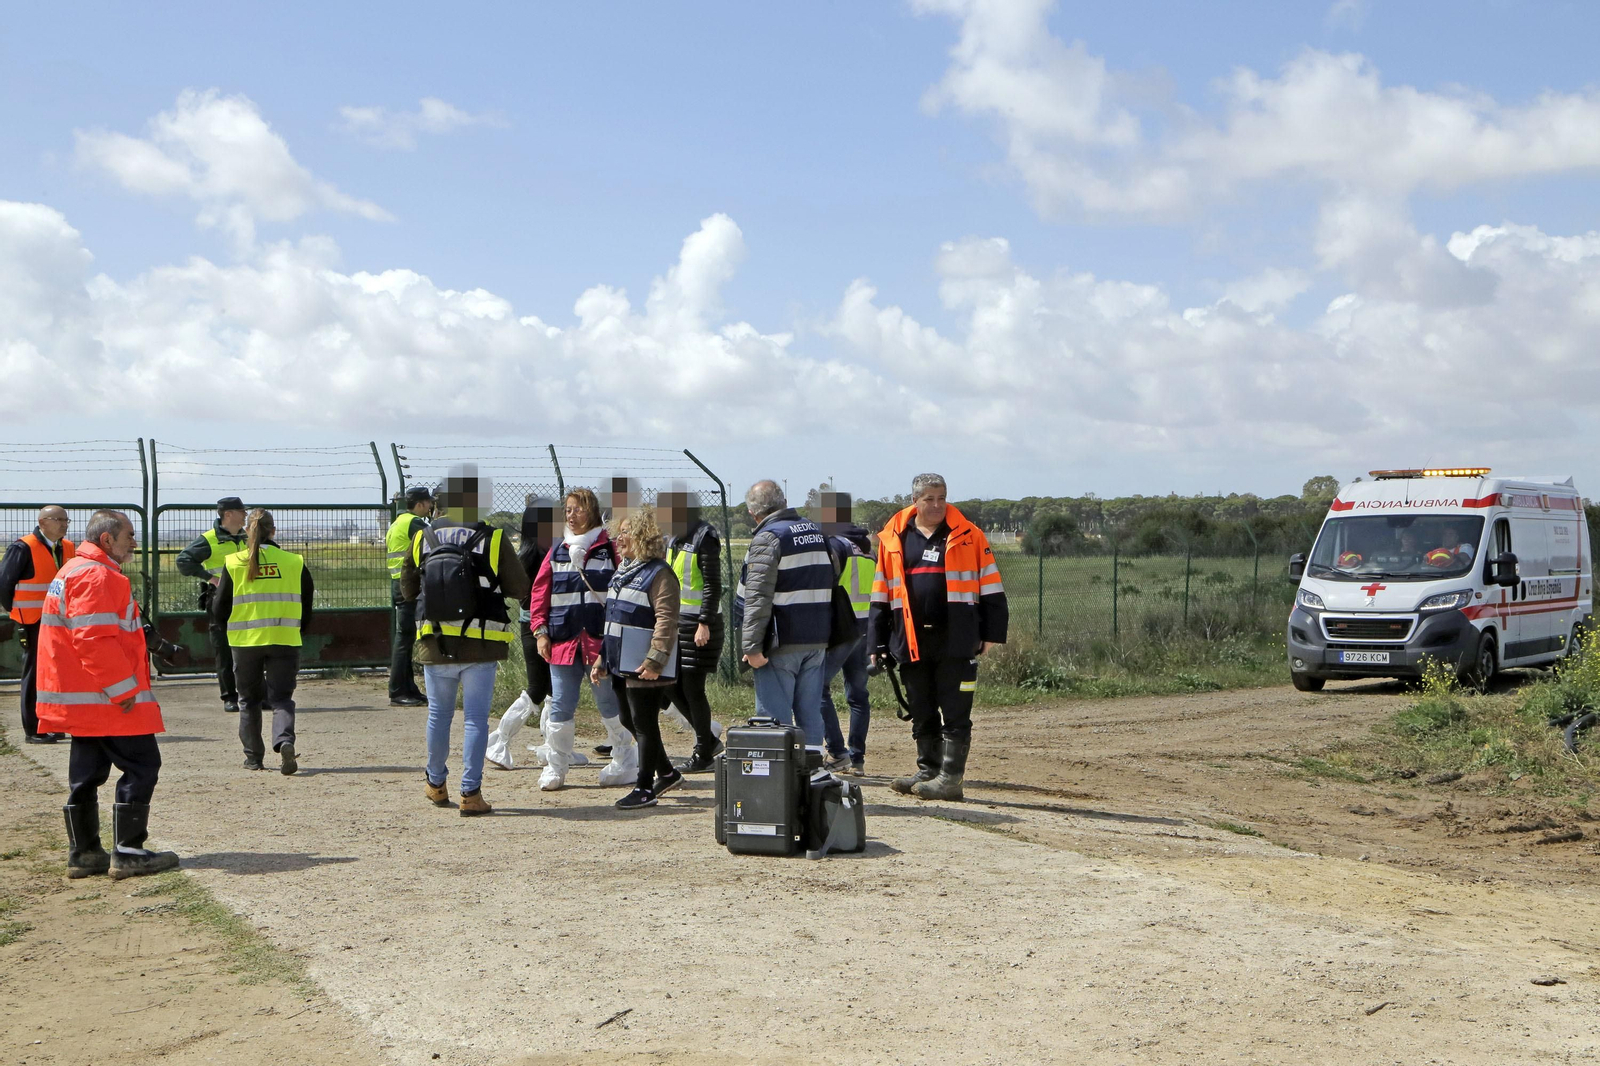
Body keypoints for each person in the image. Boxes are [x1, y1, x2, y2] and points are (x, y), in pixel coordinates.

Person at [38, 510, 180, 879]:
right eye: (129, 535)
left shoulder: (71, 570)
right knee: (142, 765)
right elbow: (94, 640)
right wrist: (122, 690)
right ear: (107, 539)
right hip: (107, 699)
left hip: (84, 698)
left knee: (86, 774)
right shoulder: (96, 575)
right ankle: (129, 853)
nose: (134, 541)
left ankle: (85, 854)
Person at [869, 473, 1008, 802]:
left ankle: (950, 779)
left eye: (941, 498)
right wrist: (876, 641)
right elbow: (882, 593)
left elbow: (991, 585)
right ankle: (928, 770)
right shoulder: (894, 538)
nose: (936, 505)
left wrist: (990, 633)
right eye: (929, 499)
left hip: (956, 639)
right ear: (915, 501)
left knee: (955, 711)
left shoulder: (970, 535)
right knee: (922, 708)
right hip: (911, 639)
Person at [399, 466, 529, 816]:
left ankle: (435, 784)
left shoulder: (423, 538)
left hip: (435, 641)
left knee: (438, 716)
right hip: (481, 643)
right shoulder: (494, 538)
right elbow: (520, 588)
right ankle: (471, 793)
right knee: (475, 719)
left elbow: (408, 590)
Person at [527, 488, 638, 790]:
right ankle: (556, 767)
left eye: (578, 509)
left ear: (592, 511)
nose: (571, 515)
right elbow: (540, 593)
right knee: (561, 705)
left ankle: (625, 761)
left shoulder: (609, 548)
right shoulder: (557, 549)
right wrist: (540, 631)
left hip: (600, 644)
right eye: (568, 510)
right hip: (562, 641)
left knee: (609, 703)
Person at [735, 480, 837, 746]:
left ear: (753, 513)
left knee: (774, 720)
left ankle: (780, 771)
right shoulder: (816, 532)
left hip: (780, 641)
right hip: (817, 639)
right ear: (783, 502)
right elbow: (833, 575)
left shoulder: (768, 538)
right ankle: (813, 766)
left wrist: (751, 646)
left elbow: (757, 597)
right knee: (810, 714)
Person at [212, 509, 314, 775]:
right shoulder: (293, 562)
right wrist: (298, 630)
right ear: (273, 531)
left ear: (248, 531)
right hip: (284, 639)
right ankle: (284, 741)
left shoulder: (234, 562)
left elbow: (219, 606)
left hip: (245, 642)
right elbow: (307, 602)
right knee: (281, 699)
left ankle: (254, 758)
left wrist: (228, 629)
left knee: (248, 700)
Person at [594, 509, 683, 810]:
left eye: (627, 532)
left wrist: (655, 660)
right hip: (620, 661)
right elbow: (613, 619)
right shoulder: (623, 571)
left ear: (645, 536)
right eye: (618, 532)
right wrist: (601, 658)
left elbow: (667, 620)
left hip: (644, 663)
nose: (619, 538)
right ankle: (667, 773)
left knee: (645, 724)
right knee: (627, 719)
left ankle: (645, 788)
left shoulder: (660, 574)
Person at [660, 488, 726, 773]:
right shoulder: (675, 538)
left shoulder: (704, 537)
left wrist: (704, 623)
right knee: (670, 685)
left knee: (692, 689)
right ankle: (708, 740)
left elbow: (712, 584)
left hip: (699, 626)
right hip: (676, 623)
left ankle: (704, 753)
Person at [0, 505, 74, 743]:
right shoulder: (23, 547)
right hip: (34, 621)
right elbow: (4, 583)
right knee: (34, 675)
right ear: (42, 523)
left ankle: (53, 723)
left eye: (66, 520)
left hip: (61, 621)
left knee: (58, 673)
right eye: (58, 519)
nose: (64, 524)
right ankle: (34, 730)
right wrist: (17, 612)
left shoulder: (68, 547)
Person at [818, 492, 875, 775]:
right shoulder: (868, 548)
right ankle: (857, 757)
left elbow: (824, 587)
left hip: (842, 631)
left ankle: (838, 752)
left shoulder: (835, 545)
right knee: (858, 696)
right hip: (866, 629)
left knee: (817, 688)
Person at [175, 497, 248, 713]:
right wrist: (210, 578)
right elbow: (183, 561)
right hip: (220, 599)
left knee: (251, 647)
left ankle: (252, 694)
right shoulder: (209, 539)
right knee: (223, 648)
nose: (245, 515)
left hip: (247, 598)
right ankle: (230, 697)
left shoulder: (246, 537)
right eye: (241, 511)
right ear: (228, 514)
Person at [385, 485, 434, 706]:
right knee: (404, 638)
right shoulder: (414, 523)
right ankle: (397, 691)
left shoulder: (397, 522)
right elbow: (435, 541)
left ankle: (409, 688)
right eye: (429, 503)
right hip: (409, 585)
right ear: (421, 504)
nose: (431, 506)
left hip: (399, 583)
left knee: (405, 637)